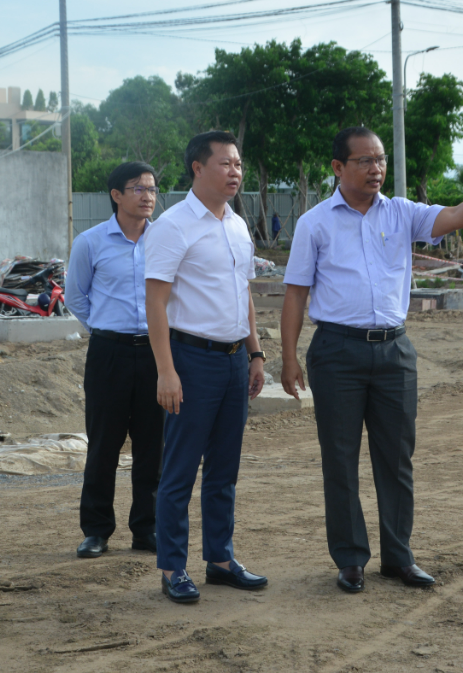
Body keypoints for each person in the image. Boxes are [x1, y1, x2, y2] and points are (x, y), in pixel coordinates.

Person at [280, 126, 463, 593]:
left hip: (394, 351)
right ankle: (351, 559)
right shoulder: (314, 223)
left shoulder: (401, 212)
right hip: (336, 351)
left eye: (380, 159)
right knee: (340, 458)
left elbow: (455, 216)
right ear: (338, 167)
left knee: (397, 458)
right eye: (364, 160)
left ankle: (398, 557)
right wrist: (289, 357)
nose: (376, 168)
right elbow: (296, 294)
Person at [144, 130, 268, 604]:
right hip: (191, 360)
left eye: (238, 164)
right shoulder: (173, 226)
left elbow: (244, 293)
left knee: (224, 470)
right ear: (198, 168)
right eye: (225, 164)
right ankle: (173, 567)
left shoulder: (237, 225)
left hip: (235, 360)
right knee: (179, 470)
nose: (235, 172)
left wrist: (255, 353)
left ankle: (220, 559)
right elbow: (155, 302)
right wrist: (166, 370)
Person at [64, 162, 164, 560]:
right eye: (138, 188)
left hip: (157, 352)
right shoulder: (90, 242)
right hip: (109, 353)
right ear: (116, 195)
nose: (147, 196)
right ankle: (96, 530)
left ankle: (147, 528)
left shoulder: (165, 240)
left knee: (153, 444)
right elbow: (76, 296)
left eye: (152, 189)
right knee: (104, 444)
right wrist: (106, 328)